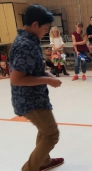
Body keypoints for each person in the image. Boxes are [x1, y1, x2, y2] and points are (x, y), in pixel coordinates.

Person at [9, 5, 64, 171]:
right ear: (34, 24)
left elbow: (31, 68)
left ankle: (44, 161)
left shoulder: (27, 40)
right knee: (51, 134)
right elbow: (16, 79)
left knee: (44, 129)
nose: (46, 32)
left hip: (34, 98)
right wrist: (47, 81)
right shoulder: (26, 45)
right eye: (45, 28)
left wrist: (48, 74)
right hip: (30, 101)